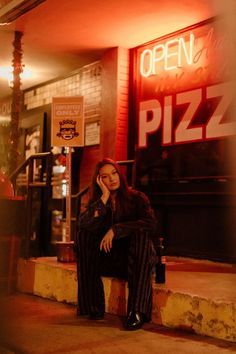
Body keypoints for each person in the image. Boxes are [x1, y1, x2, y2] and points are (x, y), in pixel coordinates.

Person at [75, 158, 157, 330]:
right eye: (105, 177)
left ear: (119, 174)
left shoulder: (137, 198)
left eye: (114, 173)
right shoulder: (98, 204)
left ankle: (136, 311)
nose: (112, 179)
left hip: (135, 260)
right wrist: (104, 198)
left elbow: (150, 224)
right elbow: (83, 223)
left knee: (140, 235)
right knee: (84, 234)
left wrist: (116, 229)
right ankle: (94, 305)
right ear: (99, 181)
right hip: (111, 260)